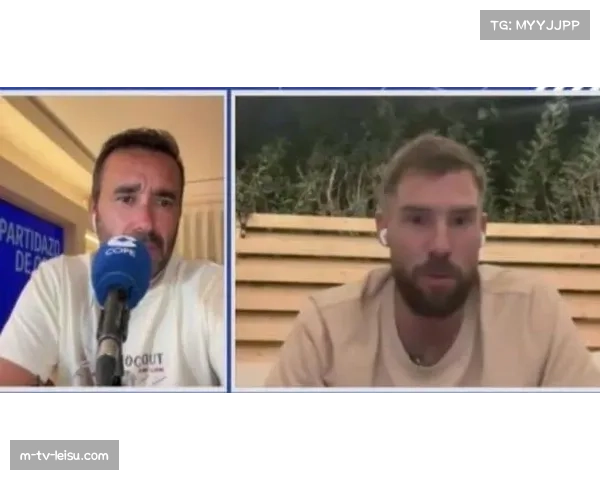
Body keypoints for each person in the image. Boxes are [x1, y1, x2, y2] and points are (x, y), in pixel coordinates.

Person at [265, 133, 600, 388]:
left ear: (482, 230)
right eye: (418, 220)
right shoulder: (326, 333)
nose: (441, 245)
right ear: (384, 228)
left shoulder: (533, 316)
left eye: (460, 221)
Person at [0, 128, 224, 387]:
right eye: (127, 198)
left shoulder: (211, 286)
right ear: (94, 210)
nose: (145, 222)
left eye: (164, 202)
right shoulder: (58, 280)